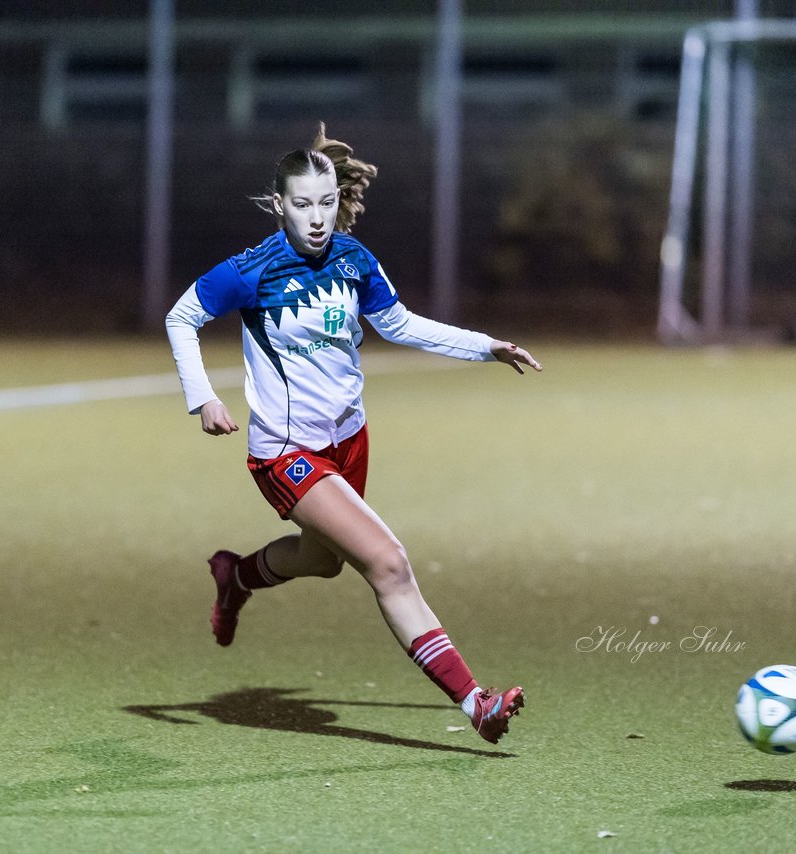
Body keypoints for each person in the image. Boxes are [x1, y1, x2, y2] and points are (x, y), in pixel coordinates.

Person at [165, 123, 542, 745]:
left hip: (350, 441)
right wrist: (202, 396)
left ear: (339, 201)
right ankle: (476, 701)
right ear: (278, 204)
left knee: (322, 561)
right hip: (286, 453)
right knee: (389, 564)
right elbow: (182, 317)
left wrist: (487, 347)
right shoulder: (251, 270)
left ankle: (235, 576)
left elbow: (402, 326)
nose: (316, 218)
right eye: (302, 204)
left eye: (327, 202)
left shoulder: (353, 260)